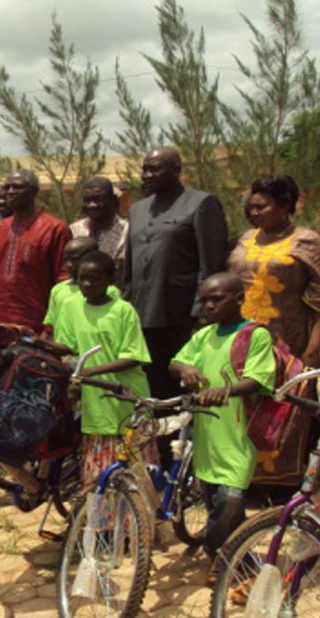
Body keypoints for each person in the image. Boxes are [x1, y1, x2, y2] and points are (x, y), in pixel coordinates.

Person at [169, 272, 276, 558]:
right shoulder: (204, 335)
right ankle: (235, 551)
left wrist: (225, 391)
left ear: (239, 299)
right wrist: (186, 369)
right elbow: (176, 361)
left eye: (217, 299)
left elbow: (258, 378)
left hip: (239, 430)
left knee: (231, 497)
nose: (210, 306)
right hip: (207, 431)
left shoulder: (255, 335)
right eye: (205, 300)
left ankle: (216, 549)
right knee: (213, 494)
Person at [124, 146, 228, 404]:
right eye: (145, 169)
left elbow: (211, 264)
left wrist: (202, 315)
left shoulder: (201, 203)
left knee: (184, 390)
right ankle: (160, 442)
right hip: (142, 317)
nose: (146, 175)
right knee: (151, 389)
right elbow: (129, 267)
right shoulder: (137, 210)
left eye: (155, 169)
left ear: (177, 170)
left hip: (181, 317)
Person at [52, 251, 153, 488]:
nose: (87, 284)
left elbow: (133, 356)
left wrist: (91, 371)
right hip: (96, 401)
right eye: (81, 278)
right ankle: (103, 522)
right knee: (100, 472)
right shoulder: (71, 307)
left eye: (94, 279)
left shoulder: (123, 310)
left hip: (125, 396)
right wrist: (40, 342)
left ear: (110, 279)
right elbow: (68, 344)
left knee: (134, 471)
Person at [228, 175, 320, 368]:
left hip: (287, 340)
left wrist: (313, 348)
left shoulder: (307, 242)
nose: (254, 212)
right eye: (251, 207)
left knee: (286, 394)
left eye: (261, 207)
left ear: (285, 206)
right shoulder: (245, 239)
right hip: (241, 335)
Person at [0, 170, 71, 348]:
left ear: (34, 192)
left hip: (36, 328)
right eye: (7, 187)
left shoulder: (55, 229)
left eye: (18, 187)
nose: (10, 191)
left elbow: (63, 283)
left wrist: (50, 327)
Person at [42, 236, 121, 335]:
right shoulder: (58, 290)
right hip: (62, 348)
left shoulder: (109, 291)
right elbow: (50, 326)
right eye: (66, 260)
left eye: (74, 259)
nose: (69, 264)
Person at [69, 176, 128, 280]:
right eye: (87, 200)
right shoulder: (73, 231)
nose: (92, 205)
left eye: (98, 199)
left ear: (113, 201)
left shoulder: (127, 231)